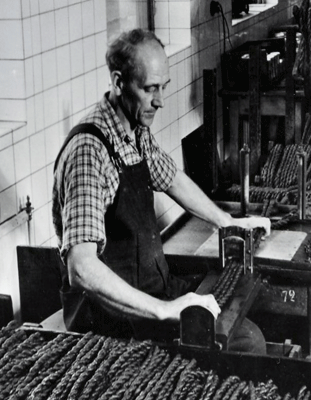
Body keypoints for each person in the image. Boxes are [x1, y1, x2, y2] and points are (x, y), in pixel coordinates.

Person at [52, 29, 271, 353]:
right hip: (112, 318)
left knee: (243, 326)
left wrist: (228, 222)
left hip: (152, 289)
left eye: (163, 88)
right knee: (244, 344)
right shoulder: (89, 152)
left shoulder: (134, 129)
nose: (160, 100)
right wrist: (166, 310)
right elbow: (81, 268)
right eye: (149, 89)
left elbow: (171, 177)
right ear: (118, 82)